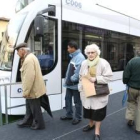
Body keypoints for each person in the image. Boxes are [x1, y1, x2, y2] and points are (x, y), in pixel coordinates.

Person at [78, 44, 113, 140]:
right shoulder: (84, 63)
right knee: (89, 111)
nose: (90, 54)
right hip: (87, 93)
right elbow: (81, 76)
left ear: (97, 53)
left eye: (92, 52)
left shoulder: (103, 63)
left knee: (98, 113)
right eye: (88, 53)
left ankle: (97, 131)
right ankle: (90, 124)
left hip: (99, 94)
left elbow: (109, 77)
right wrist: (80, 88)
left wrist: (96, 79)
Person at [15, 42, 46, 130]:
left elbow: (29, 77)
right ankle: (28, 121)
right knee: (29, 106)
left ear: (22, 50)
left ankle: (39, 124)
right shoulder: (30, 57)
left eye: (17, 52)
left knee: (35, 108)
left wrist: (26, 91)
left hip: (33, 89)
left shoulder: (28, 60)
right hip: (34, 88)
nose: (17, 54)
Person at [60, 40, 85, 125]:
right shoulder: (74, 56)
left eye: (68, 48)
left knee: (77, 101)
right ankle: (69, 114)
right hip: (70, 84)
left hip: (75, 84)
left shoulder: (80, 57)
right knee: (67, 99)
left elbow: (78, 72)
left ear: (73, 48)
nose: (67, 49)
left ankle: (78, 117)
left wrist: (71, 79)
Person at [123, 50, 140, 134]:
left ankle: (130, 120)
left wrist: (126, 82)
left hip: (132, 88)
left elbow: (126, 76)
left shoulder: (132, 61)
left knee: (131, 103)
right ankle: (138, 128)